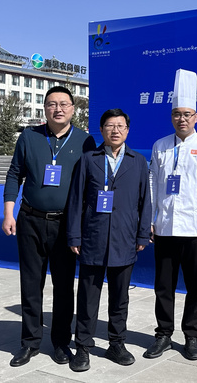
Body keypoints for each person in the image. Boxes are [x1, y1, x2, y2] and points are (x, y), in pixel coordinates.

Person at [2, 86, 96, 367]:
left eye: (64, 104)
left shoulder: (85, 141)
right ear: (44, 108)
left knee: (64, 287)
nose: (58, 109)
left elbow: (91, 183)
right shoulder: (29, 137)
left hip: (66, 224)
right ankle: (30, 342)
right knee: (31, 284)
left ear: (73, 109)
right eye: (52, 104)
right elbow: (14, 174)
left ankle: (61, 342)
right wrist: (8, 213)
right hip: (30, 220)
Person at [145, 69, 197, 361]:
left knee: (196, 287)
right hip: (165, 227)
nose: (182, 119)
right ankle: (163, 334)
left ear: (196, 117)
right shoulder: (160, 146)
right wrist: (149, 219)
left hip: (195, 229)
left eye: (187, 114)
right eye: (177, 114)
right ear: (171, 117)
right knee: (163, 287)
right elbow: (153, 184)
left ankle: (191, 336)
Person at [66, 108, 152, 372]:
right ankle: (83, 347)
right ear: (101, 130)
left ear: (127, 130)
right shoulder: (88, 160)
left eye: (120, 126)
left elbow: (145, 201)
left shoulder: (138, 161)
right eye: (110, 126)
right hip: (93, 237)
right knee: (87, 297)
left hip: (125, 238)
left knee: (120, 297)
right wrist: (74, 235)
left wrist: (142, 234)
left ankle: (117, 343)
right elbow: (76, 200)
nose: (115, 130)